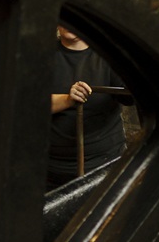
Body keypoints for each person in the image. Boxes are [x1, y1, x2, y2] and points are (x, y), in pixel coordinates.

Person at [47, 25, 131, 191]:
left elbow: (131, 96)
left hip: (103, 167)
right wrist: (69, 99)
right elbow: (28, 105)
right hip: (50, 170)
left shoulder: (109, 56)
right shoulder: (43, 55)